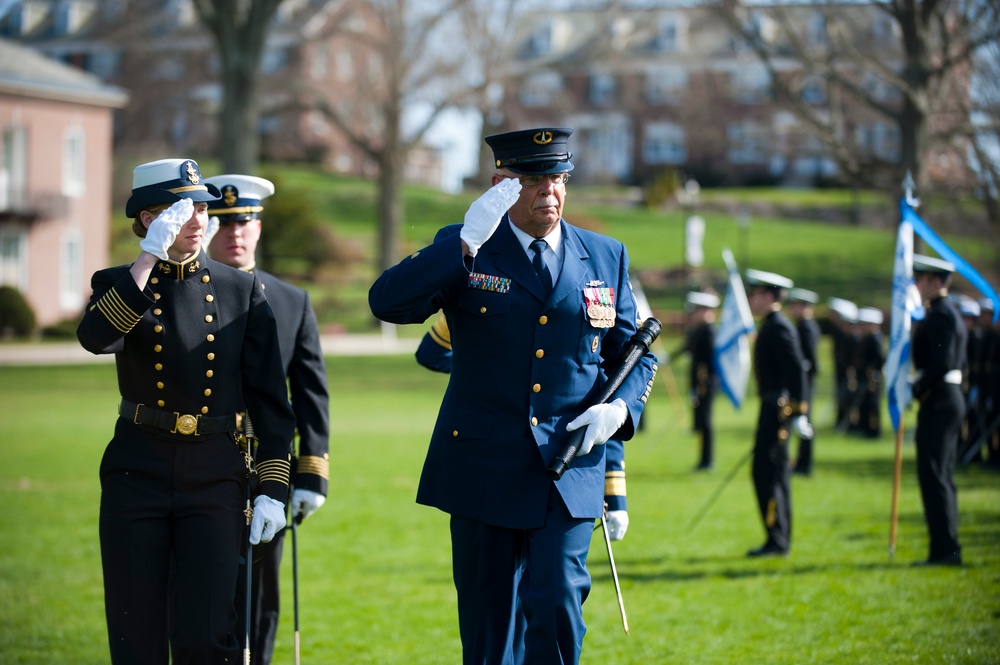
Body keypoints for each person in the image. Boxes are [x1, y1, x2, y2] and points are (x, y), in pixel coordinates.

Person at [368, 127, 656, 664]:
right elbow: (387, 302)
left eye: (558, 178)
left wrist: (620, 409)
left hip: (568, 465)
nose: (549, 191)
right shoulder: (468, 244)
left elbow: (635, 356)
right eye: (533, 180)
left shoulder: (604, 254)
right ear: (501, 184)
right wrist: (463, 244)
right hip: (484, 464)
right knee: (489, 627)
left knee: (557, 605)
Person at [77, 158, 296, 663]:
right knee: (136, 637)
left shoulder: (241, 290)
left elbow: (272, 406)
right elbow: (96, 338)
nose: (198, 219)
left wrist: (271, 490)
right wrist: (146, 262)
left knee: (207, 636)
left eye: (201, 206)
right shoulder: (119, 281)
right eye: (182, 208)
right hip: (139, 468)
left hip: (215, 474)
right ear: (149, 219)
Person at [204, 174, 331, 665]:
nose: (235, 232)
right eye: (223, 222)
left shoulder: (291, 300)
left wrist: (311, 475)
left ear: (259, 226)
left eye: (246, 221)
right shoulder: (190, 293)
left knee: (260, 592)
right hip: (202, 459)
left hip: (266, 466)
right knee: (198, 590)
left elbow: (311, 393)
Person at [415, 313, 630, 541]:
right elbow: (431, 352)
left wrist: (614, 493)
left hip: (565, 471)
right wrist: (493, 373)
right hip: (499, 463)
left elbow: (605, 399)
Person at [745, 269, 808, 557]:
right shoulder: (771, 325)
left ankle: (777, 539)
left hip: (777, 410)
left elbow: (797, 370)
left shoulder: (777, 326)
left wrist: (799, 411)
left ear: (769, 296)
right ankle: (777, 536)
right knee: (770, 473)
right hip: (772, 408)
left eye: (755, 294)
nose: (750, 299)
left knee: (768, 473)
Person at [911, 255, 967, 566]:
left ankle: (945, 549)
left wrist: (917, 388)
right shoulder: (942, 313)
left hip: (941, 399)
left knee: (936, 475)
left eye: (921, 280)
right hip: (945, 397)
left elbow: (942, 363)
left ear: (935, 281)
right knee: (938, 474)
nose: (917, 286)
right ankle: (943, 547)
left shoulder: (941, 315)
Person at [680, 290, 720, 470]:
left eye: (697, 310)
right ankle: (704, 460)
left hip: (706, 383)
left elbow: (707, 363)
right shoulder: (699, 331)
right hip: (699, 383)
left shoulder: (709, 332)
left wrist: (699, 386)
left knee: (705, 423)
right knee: (701, 423)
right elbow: (688, 348)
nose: (694, 314)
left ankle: (707, 461)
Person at [787, 288, 820, 474]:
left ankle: (804, 464)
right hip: (805, 379)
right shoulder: (804, 325)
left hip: (804, 380)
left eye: (795, 305)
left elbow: (808, 358)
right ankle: (801, 461)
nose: (792, 308)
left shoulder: (806, 327)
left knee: (804, 421)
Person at [856, 306, 885, 439]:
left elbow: (879, 360)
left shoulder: (875, 339)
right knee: (865, 403)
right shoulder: (867, 338)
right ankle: (865, 428)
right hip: (866, 376)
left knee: (872, 404)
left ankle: (873, 430)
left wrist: (872, 373)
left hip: (872, 377)